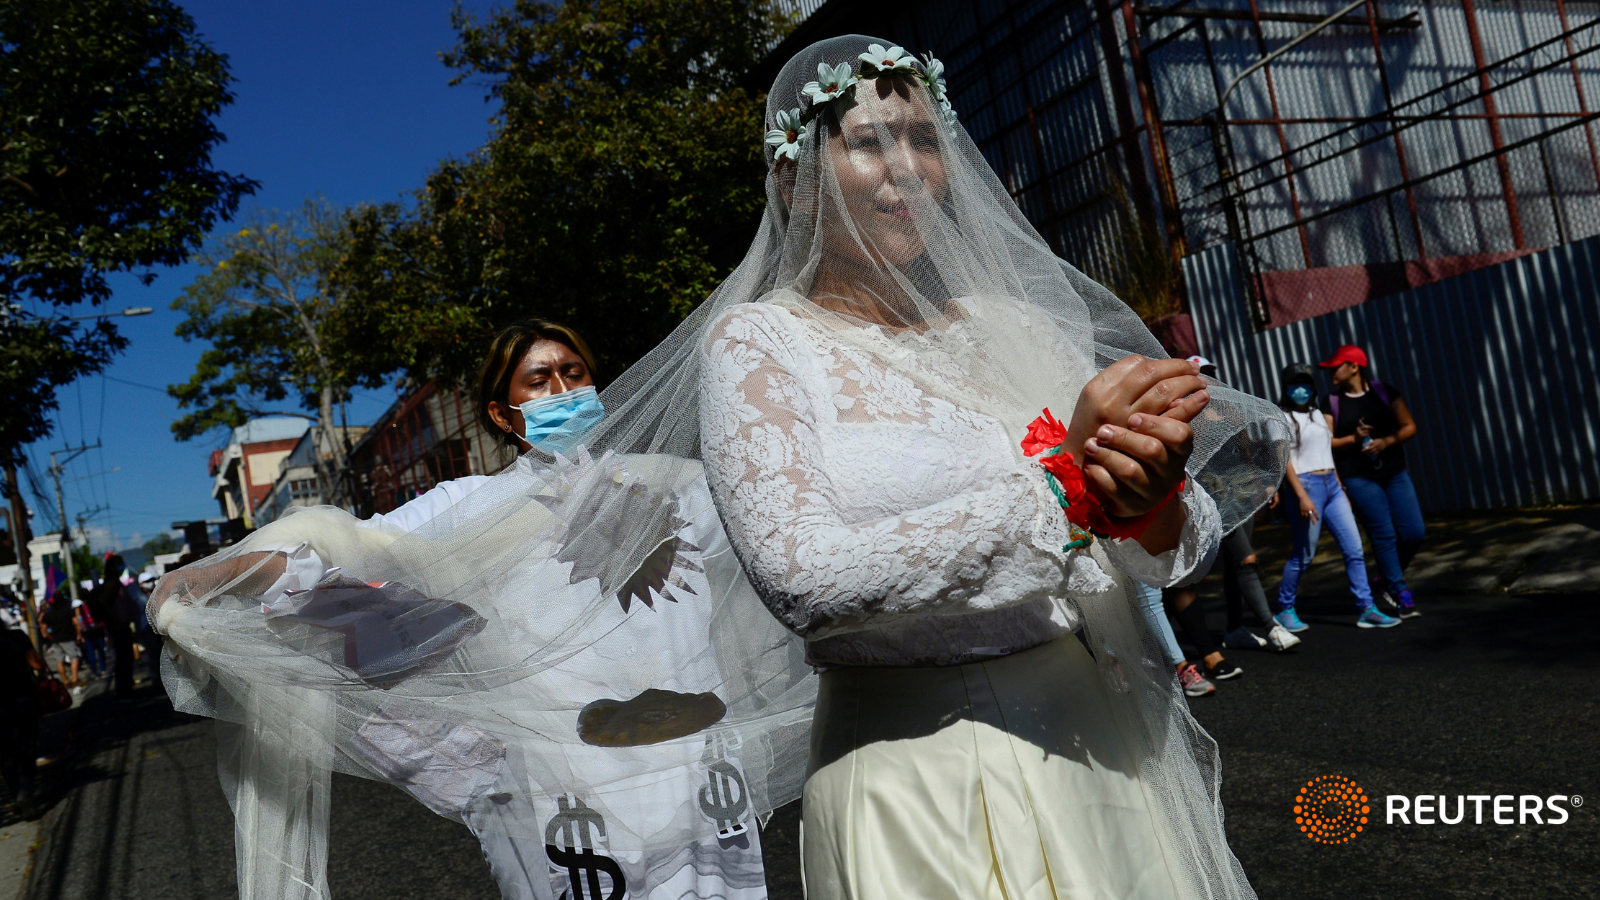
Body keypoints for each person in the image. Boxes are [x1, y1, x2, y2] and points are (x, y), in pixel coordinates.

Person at [697, 36, 1283, 899]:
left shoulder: (1016, 327)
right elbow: (802, 579)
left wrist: (1145, 489)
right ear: (793, 178)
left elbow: (1155, 543)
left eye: (925, 140)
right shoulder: (760, 347)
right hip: (914, 771)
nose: (907, 168)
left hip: (1093, 740)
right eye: (868, 141)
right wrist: (1066, 490)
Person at [153, 320, 771, 900]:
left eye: (575, 373)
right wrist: (235, 571)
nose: (563, 389)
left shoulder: (676, 486)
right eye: (539, 380)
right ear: (503, 413)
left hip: (697, 765)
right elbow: (359, 557)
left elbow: (768, 551)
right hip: (568, 783)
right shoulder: (474, 507)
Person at [1274, 363, 1399, 630]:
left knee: (1354, 550)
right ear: (1285, 388)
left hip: (1332, 485)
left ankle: (1367, 608)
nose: (1300, 389)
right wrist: (1300, 496)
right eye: (1294, 384)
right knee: (1304, 556)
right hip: (1306, 488)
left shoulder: (1317, 413)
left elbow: (1327, 450)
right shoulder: (1281, 418)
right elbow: (1285, 461)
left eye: (1305, 383)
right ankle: (1284, 609)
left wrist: (1339, 484)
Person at [1320, 345, 1424, 618]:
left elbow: (1409, 426)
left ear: (1354, 367)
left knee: (1415, 531)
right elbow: (1327, 442)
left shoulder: (1383, 392)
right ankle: (1400, 591)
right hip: (1358, 477)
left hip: (1394, 472)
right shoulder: (1331, 402)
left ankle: (1387, 578)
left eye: (1336, 366)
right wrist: (1354, 439)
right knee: (1384, 534)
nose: (1331, 371)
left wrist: (1386, 441)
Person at [0, 625, 43, 819]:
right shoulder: (17, 636)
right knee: (26, 747)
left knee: (5, 753)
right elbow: (36, 665)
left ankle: (17, 793)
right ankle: (25, 792)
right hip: (23, 700)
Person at [87, 554, 138, 699]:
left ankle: (125, 690)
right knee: (124, 659)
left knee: (124, 658)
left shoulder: (114, 582)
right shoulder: (112, 583)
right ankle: (125, 692)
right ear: (111, 567)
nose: (122, 567)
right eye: (119, 564)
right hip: (118, 626)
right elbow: (104, 602)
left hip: (119, 625)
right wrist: (115, 618)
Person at [40, 588, 81, 689]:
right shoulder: (68, 611)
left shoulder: (49, 614)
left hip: (56, 639)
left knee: (59, 660)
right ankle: (75, 679)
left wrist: (50, 637)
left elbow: (43, 628)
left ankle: (65, 680)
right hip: (68, 637)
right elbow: (76, 622)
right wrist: (79, 634)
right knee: (74, 657)